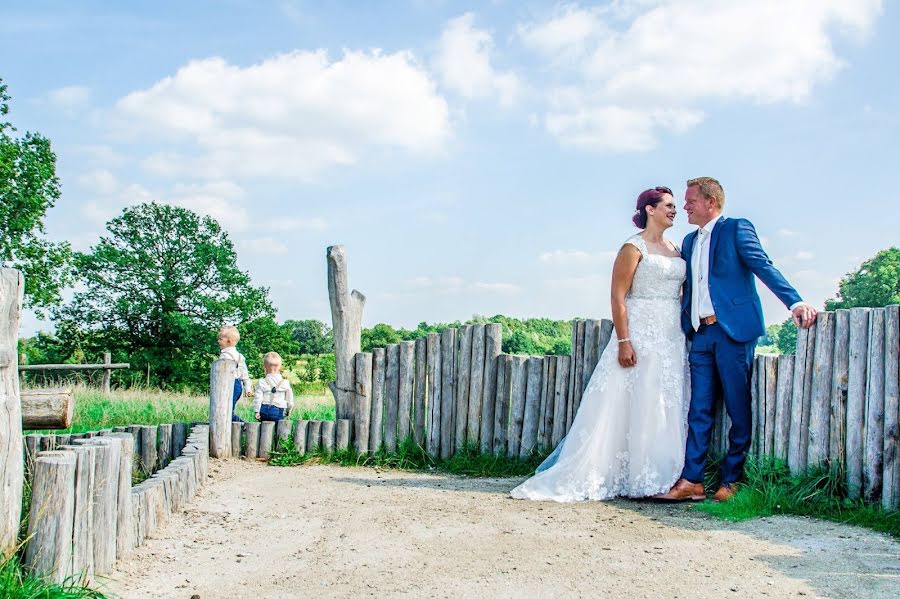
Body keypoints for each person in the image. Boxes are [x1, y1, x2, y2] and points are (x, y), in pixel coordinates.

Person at [511, 186, 688, 501]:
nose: (674, 210)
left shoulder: (676, 247)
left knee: (663, 401)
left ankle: (660, 473)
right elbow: (618, 296)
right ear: (650, 209)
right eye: (669, 205)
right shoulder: (633, 248)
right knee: (630, 401)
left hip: (671, 334)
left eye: (675, 206)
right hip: (641, 331)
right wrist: (624, 340)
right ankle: (619, 473)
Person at [656, 177, 817, 503]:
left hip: (734, 333)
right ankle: (692, 481)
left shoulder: (736, 229)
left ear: (710, 202)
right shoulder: (688, 242)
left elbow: (762, 265)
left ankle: (732, 480)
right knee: (698, 409)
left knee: (737, 407)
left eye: (690, 201)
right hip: (700, 335)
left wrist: (795, 301)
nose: (684, 207)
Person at [217, 325, 253, 422]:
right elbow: (245, 374)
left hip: (231, 385)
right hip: (236, 385)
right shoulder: (239, 356)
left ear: (228, 341)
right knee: (224, 410)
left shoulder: (226, 356)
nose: (218, 341)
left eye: (220, 339)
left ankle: (243, 425)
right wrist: (247, 387)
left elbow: (243, 374)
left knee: (226, 411)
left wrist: (248, 388)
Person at [254, 351, 294, 422]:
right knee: (277, 430)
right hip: (278, 410)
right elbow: (290, 400)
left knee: (264, 430)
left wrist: (257, 411)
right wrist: (288, 410)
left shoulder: (261, 382)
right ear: (280, 366)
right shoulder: (285, 382)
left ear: (264, 367)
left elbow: (258, 398)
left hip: (263, 410)